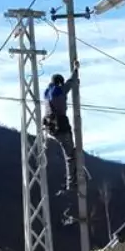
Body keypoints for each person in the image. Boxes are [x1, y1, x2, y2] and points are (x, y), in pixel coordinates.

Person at [42, 61, 81, 196]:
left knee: (65, 153)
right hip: (61, 127)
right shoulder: (60, 90)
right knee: (70, 156)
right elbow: (71, 82)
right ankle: (72, 184)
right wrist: (76, 69)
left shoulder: (46, 93)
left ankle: (70, 181)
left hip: (50, 129)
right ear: (60, 83)